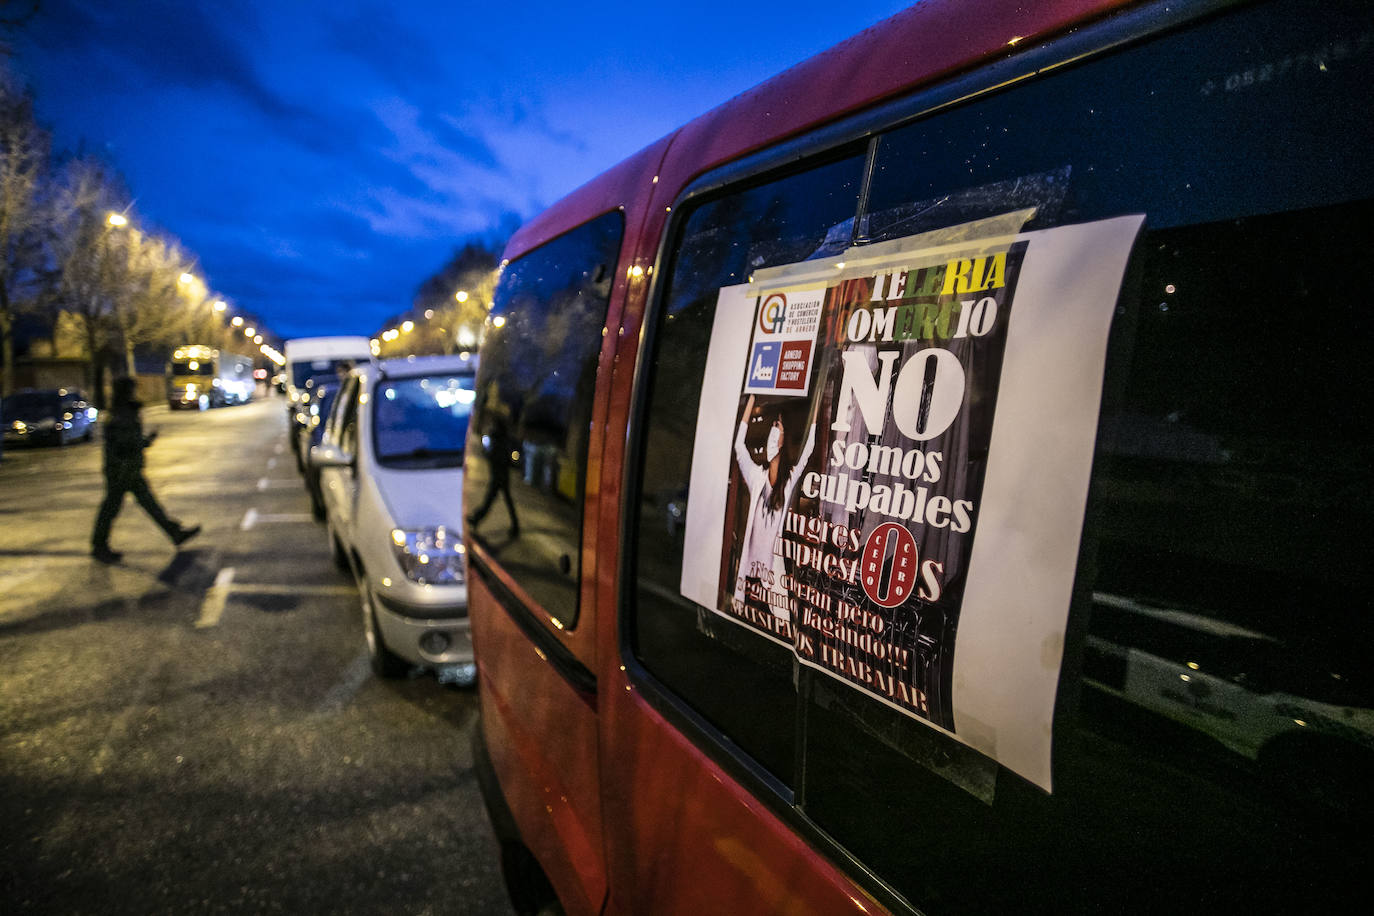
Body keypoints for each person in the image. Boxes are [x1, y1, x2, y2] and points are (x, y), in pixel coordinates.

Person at [90, 377, 200, 564]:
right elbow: (125, 443)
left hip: (128, 469)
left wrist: (144, 441)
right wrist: (145, 441)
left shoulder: (123, 411)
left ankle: (174, 533)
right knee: (111, 507)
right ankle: (99, 546)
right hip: (121, 471)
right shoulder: (121, 414)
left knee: (147, 504)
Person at [731, 394, 816, 619]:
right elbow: (739, 446)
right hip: (750, 578)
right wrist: (751, 397)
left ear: (784, 436)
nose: (772, 431)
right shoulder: (755, 477)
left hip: (771, 582)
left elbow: (809, 450)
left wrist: (818, 400)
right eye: (771, 426)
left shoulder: (788, 482)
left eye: (777, 426)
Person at [466, 381, 520, 539]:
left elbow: (498, 455)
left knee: (493, 499)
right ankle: (479, 519)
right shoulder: (500, 434)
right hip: (500, 472)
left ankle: (477, 519)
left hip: (499, 473)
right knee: (503, 500)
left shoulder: (499, 435)